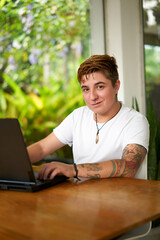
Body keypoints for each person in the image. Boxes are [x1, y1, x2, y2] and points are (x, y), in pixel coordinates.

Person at [27, 54, 149, 181]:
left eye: (100, 87)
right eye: (86, 89)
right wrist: (10, 162)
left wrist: (72, 169)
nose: (92, 96)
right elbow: (41, 149)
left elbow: (128, 167)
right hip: (81, 196)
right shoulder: (78, 116)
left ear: (116, 86)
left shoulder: (135, 121)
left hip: (120, 199)